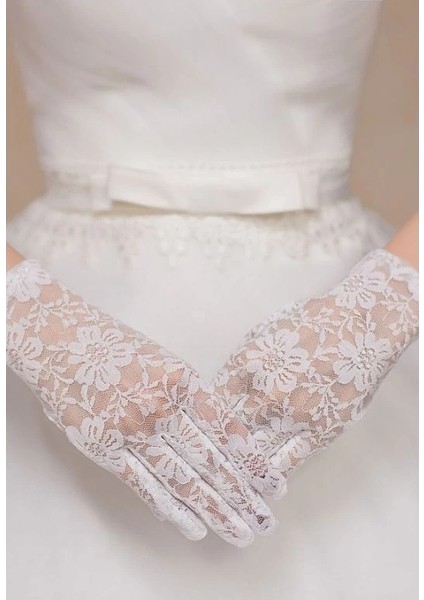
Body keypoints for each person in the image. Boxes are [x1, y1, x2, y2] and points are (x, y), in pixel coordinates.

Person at [7, 2, 418, 599]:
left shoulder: (372, 315)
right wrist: (34, 321)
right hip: (57, 303)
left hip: (347, 316)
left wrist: (388, 303)